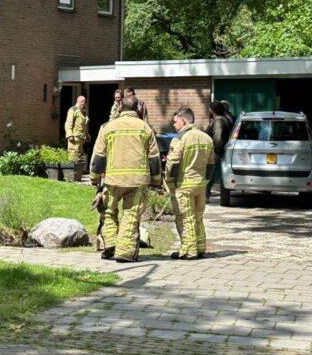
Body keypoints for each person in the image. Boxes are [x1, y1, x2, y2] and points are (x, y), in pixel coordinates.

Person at [90, 96, 161, 262]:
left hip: (113, 180)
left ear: (120, 107)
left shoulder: (109, 127)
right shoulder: (145, 128)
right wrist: (156, 179)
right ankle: (125, 253)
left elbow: (98, 156)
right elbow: (154, 158)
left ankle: (111, 244)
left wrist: (94, 177)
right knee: (131, 214)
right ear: (138, 109)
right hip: (138, 181)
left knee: (108, 211)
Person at [165, 107, 214, 260]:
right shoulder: (207, 138)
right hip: (200, 185)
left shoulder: (180, 139)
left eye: (175, 122)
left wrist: (169, 181)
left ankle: (189, 251)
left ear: (184, 121)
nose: (174, 124)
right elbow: (211, 165)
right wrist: (205, 181)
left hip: (184, 185)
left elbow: (173, 163)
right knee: (198, 217)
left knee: (186, 218)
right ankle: (200, 247)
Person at [205, 102, 231, 201]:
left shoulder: (219, 121)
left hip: (215, 152)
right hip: (216, 151)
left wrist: (214, 150)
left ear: (213, 110)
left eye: (209, 109)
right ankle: (205, 195)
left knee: (209, 174)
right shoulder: (220, 119)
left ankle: (204, 196)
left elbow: (218, 138)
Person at [64, 95, 90, 164]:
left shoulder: (83, 112)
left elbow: (84, 125)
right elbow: (68, 123)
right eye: (83, 102)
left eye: (84, 102)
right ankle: (72, 170)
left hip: (81, 139)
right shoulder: (73, 110)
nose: (84, 104)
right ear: (79, 101)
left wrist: (87, 134)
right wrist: (70, 135)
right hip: (74, 139)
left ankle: (78, 170)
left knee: (79, 158)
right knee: (73, 157)